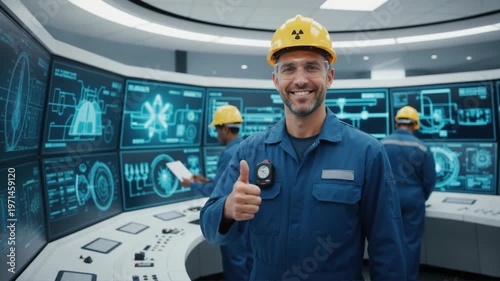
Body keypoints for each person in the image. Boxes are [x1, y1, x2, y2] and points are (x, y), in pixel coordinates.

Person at [200, 15, 406, 280]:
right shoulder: (249, 153)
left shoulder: (367, 152)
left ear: (329, 76)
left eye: (311, 67)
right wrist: (228, 208)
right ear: (275, 80)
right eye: (288, 69)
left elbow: (388, 249)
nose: (300, 80)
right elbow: (209, 227)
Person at [181, 104, 253, 281]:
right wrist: (204, 180)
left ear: (226, 129)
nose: (216, 135)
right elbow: (226, 183)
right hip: (246, 219)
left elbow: (215, 191)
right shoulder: (245, 146)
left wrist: (191, 184)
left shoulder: (229, 153)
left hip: (233, 219)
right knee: (248, 264)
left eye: (217, 130)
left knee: (236, 267)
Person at [381, 105, 437, 281]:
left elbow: (375, 176)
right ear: (414, 125)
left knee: (387, 242)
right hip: (413, 201)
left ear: (397, 123)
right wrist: (421, 197)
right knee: (410, 244)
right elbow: (429, 180)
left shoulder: (381, 144)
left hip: (388, 200)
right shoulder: (422, 148)